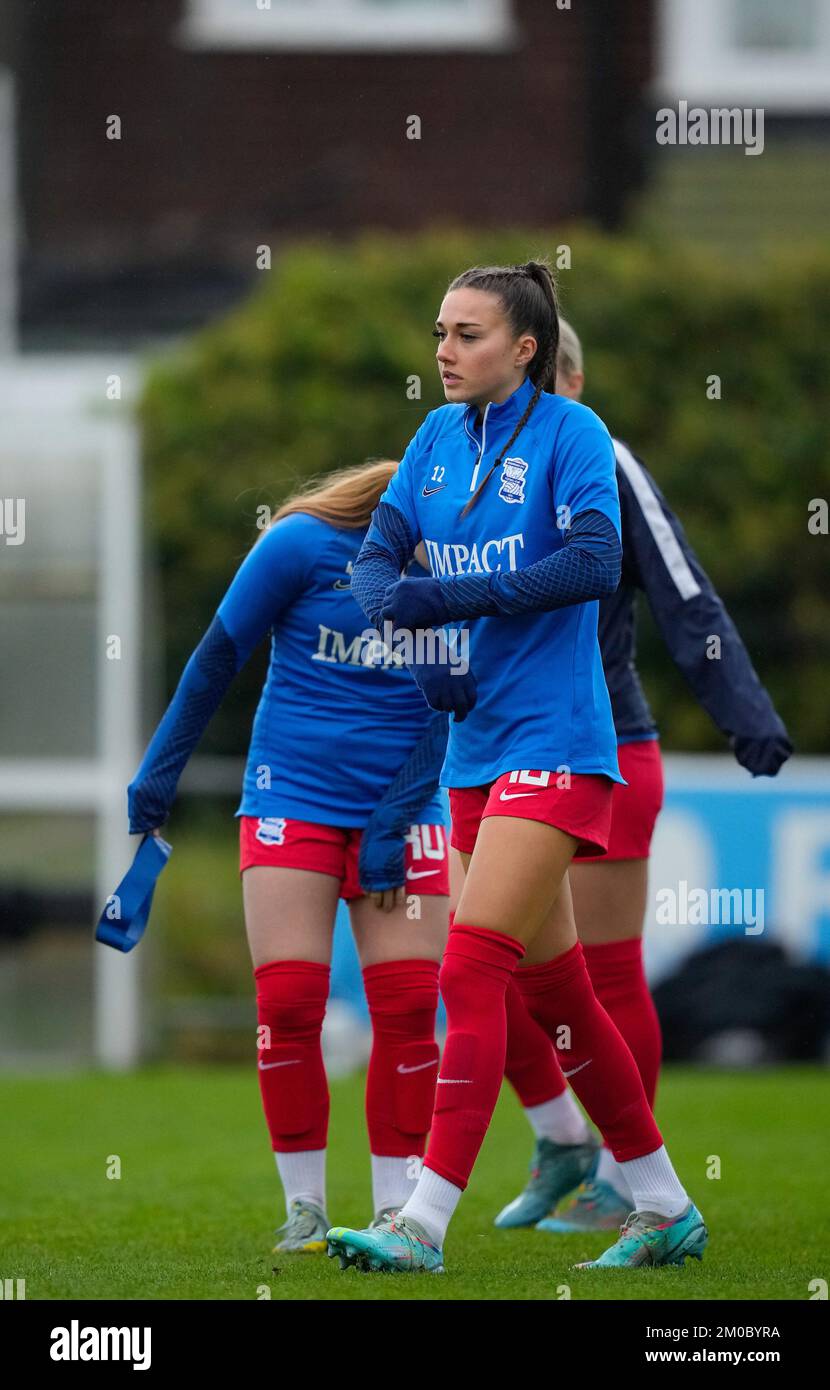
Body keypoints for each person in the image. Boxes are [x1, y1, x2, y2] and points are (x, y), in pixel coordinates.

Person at [326, 259, 708, 1274]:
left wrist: (443, 606)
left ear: (524, 348)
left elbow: (590, 561)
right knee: (561, 996)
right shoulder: (434, 437)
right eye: (439, 332)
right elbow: (378, 555)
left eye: (466, 334)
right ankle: (661, 1203)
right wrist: (405, 635)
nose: (443, 351)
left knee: (470, 963)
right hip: (475, 745)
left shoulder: (572, 434)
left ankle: (421, 1219)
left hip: (559, 739)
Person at [492, 319, 793, 1233]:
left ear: (569, 381)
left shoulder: (608, 466)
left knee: (604, 974)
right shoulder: (467, 473)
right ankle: (563, 1139)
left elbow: (683, 592)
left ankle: (630, 1181)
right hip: (498, 754)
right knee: (488, 974)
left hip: (604, 749)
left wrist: (745, 714)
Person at [126, 460, 454, 1253]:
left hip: (406, 807)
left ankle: (394, 1214)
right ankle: (304, 1209)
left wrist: (389, 824)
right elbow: (215, 660)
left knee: (410, 1011)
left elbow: (450, 712)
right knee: (288, 1009)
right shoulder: (300, 544)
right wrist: (157, 779)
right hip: (291, 797)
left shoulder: (457, 567)